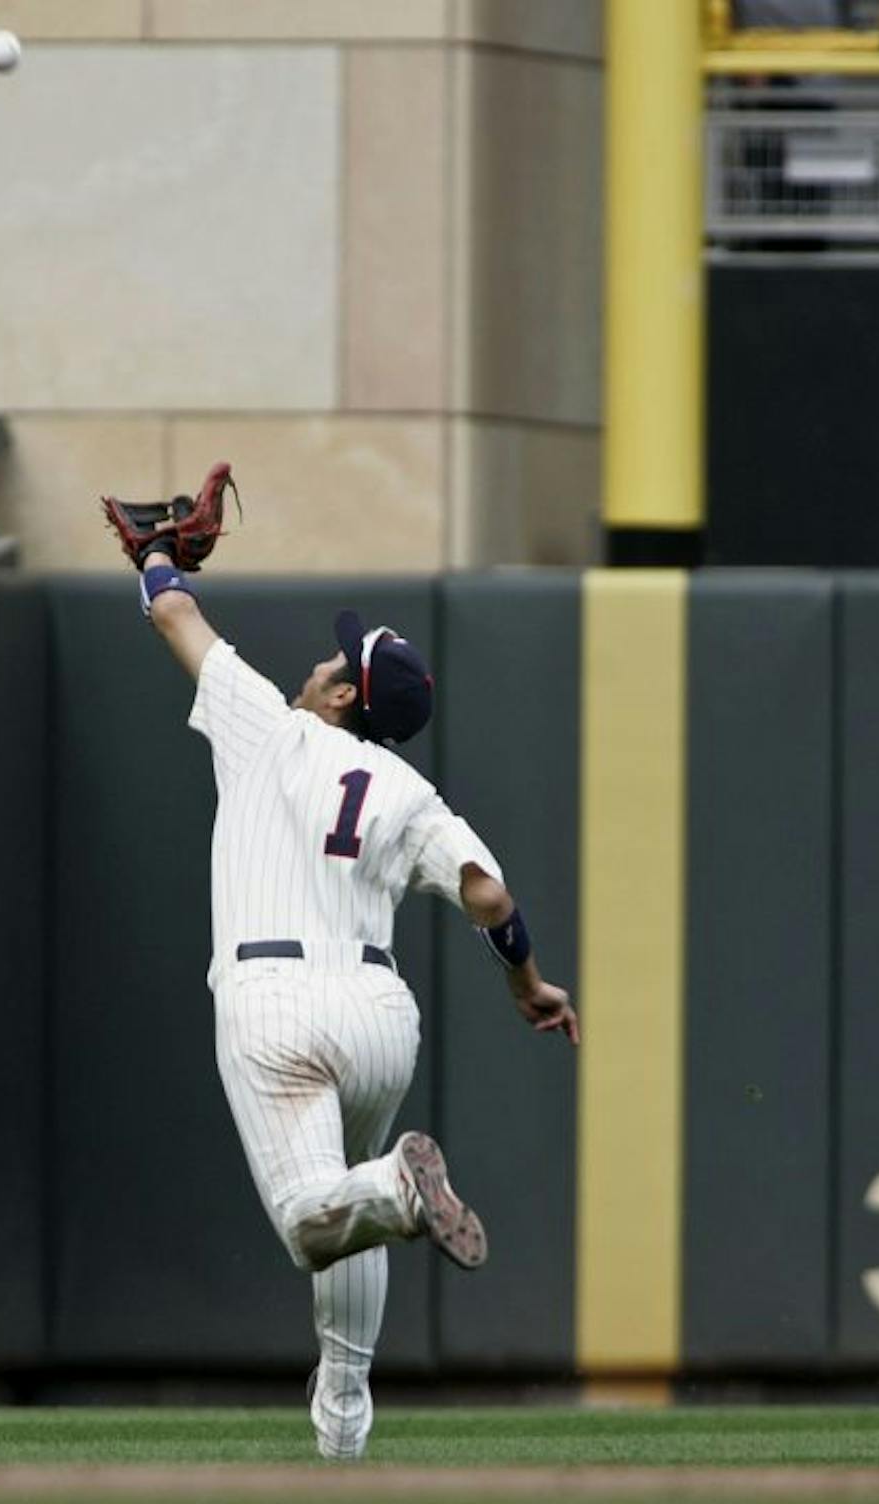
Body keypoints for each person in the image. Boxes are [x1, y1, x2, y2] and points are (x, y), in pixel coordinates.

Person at [121, 527, 577, 1463]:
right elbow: (489, 894)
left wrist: (156, 554)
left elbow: (171, 611)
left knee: (310, 1219)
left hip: (272, 1001)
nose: (320, 664)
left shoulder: (268, 726)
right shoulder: (413, 792)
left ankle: (397, 1189)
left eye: (335, 662)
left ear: (339, 698)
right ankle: (343, 1433)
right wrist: (527, 984)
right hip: (376, 1017)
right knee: (348, 1209)